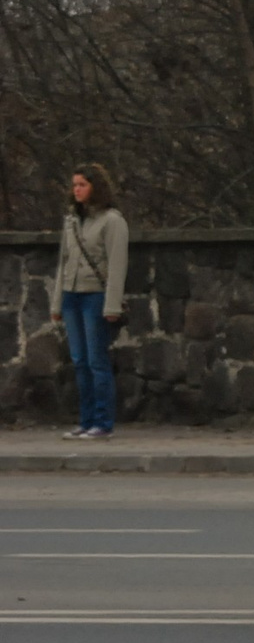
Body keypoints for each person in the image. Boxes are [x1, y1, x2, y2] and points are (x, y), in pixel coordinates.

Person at [51, 163, 130, 439]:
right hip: (72, 294)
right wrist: (57, 302)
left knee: (97, 360)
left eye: (82, 185)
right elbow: (63, 263)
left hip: (95, 294)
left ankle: (102, 422)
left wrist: (112, 304)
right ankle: (85, 420)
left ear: (96, 187)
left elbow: (117, 266)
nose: (77, 190)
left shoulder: (112, 220)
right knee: (79, 360)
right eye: (74, 185)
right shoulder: (72, 220)